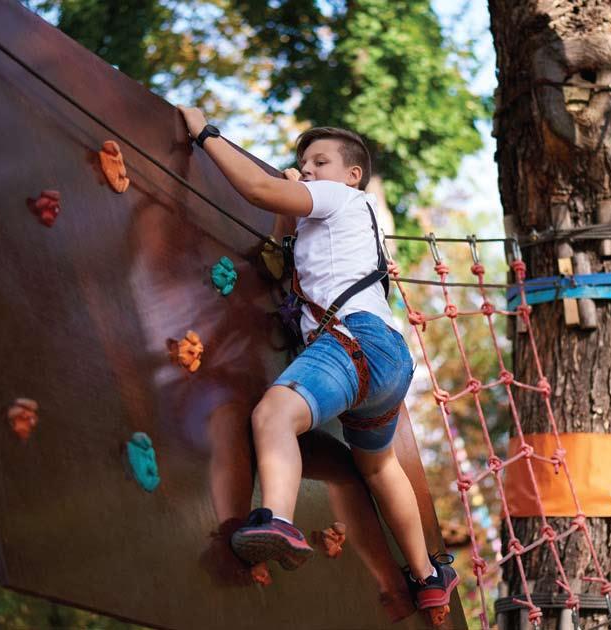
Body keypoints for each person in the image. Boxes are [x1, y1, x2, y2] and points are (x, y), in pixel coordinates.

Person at [177, 105, 459, 612]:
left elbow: (258, 189)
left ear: (353, 175)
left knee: (273, 414)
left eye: (320, 163)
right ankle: (428, 576)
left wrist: (205, 132)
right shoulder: (347, 223)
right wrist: (290, 202)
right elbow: (282, 247)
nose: (308, 171)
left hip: (352, 342)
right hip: (388, 360)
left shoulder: (339, 196)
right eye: (304, 165)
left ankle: (277, 521)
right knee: (379, 466)